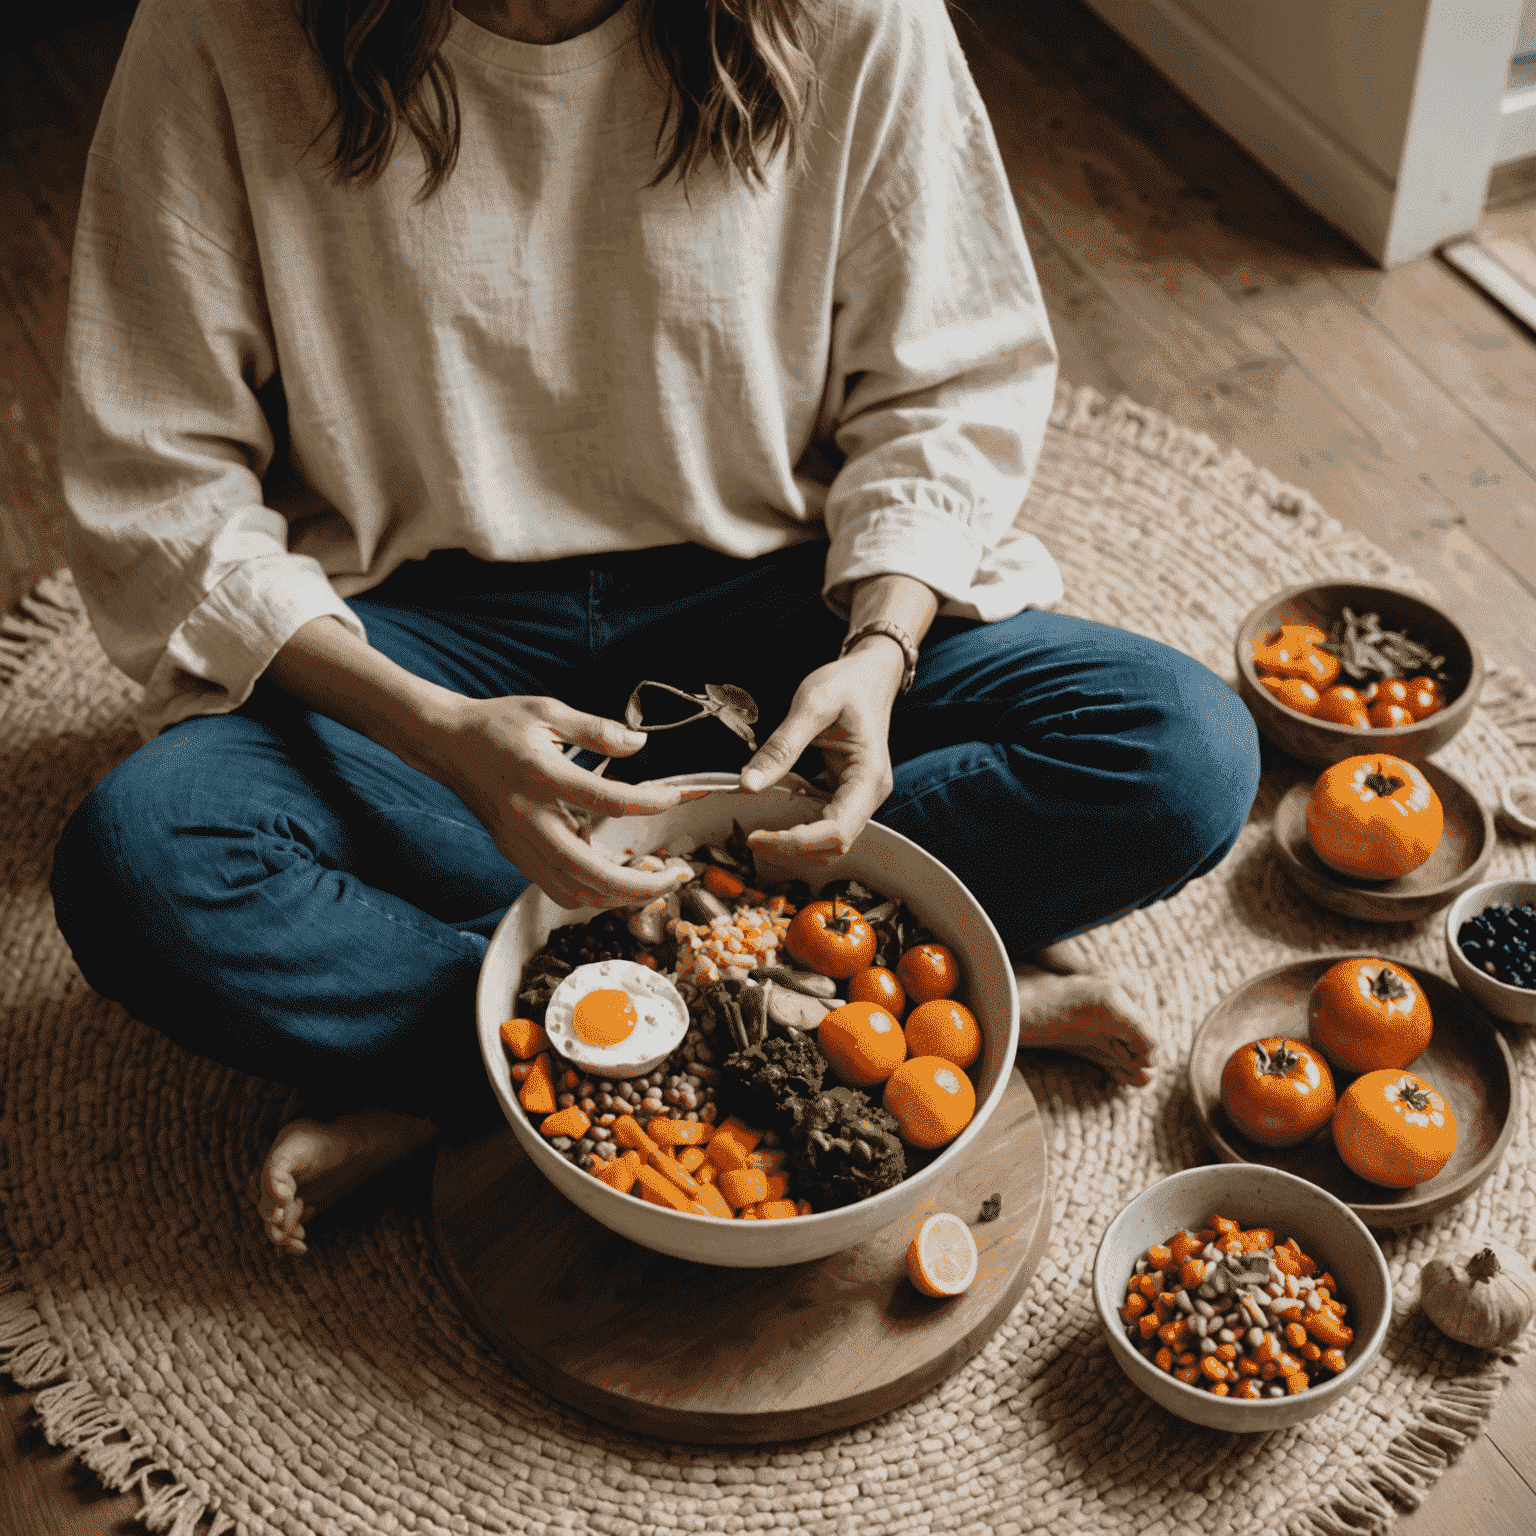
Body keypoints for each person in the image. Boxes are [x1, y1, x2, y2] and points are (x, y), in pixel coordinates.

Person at [50, 0, 1261, 1255]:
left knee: (1178, 749)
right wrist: (443, 735)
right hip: (418, 631)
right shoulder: (216, 29)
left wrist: (879, 651)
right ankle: (857, 1001)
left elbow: (946, 378)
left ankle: (483, 1068)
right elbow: (161, 482)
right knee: (142, 860)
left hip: (773, 591)